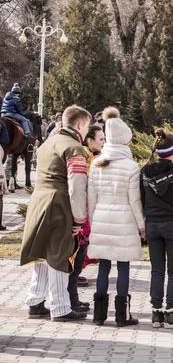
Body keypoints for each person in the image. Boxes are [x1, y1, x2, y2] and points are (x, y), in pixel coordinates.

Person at [20, 105, 91, 322]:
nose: (87, 132)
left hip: (38, 202)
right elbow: (77, 186)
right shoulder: (75, 148)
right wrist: (79, 217)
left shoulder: (48, 143)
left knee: (42, 254)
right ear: (79, 124)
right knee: (59, 255)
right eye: (87, 127)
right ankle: (60, 307)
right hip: (59, 205)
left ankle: (35, 301)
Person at [87, 107, 144, 327]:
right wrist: (142, 226)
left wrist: (93, 222)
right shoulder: (131, 167)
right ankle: (122, 315)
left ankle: (99, 315)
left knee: (103, 265)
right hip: (124, 221)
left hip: (101, 217)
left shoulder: (96, 164)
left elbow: (91, 198)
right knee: (123, 266)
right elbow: (134, 201)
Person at [141, 128, 173, 329]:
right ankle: (171, 313)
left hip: (152, 223)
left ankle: (156, 313)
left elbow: (142, 198)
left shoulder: (144, 170)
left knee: (157, 269)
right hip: (172, 223)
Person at [67, 125, 105, 315]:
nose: (103, 143)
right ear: (89, 141)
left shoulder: (94, 157)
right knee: (75, 258)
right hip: (80, 216)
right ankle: (70, 301)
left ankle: (73, 300)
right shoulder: (85, 158)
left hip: (85, 214)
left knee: (79, 256)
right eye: (100, 139)